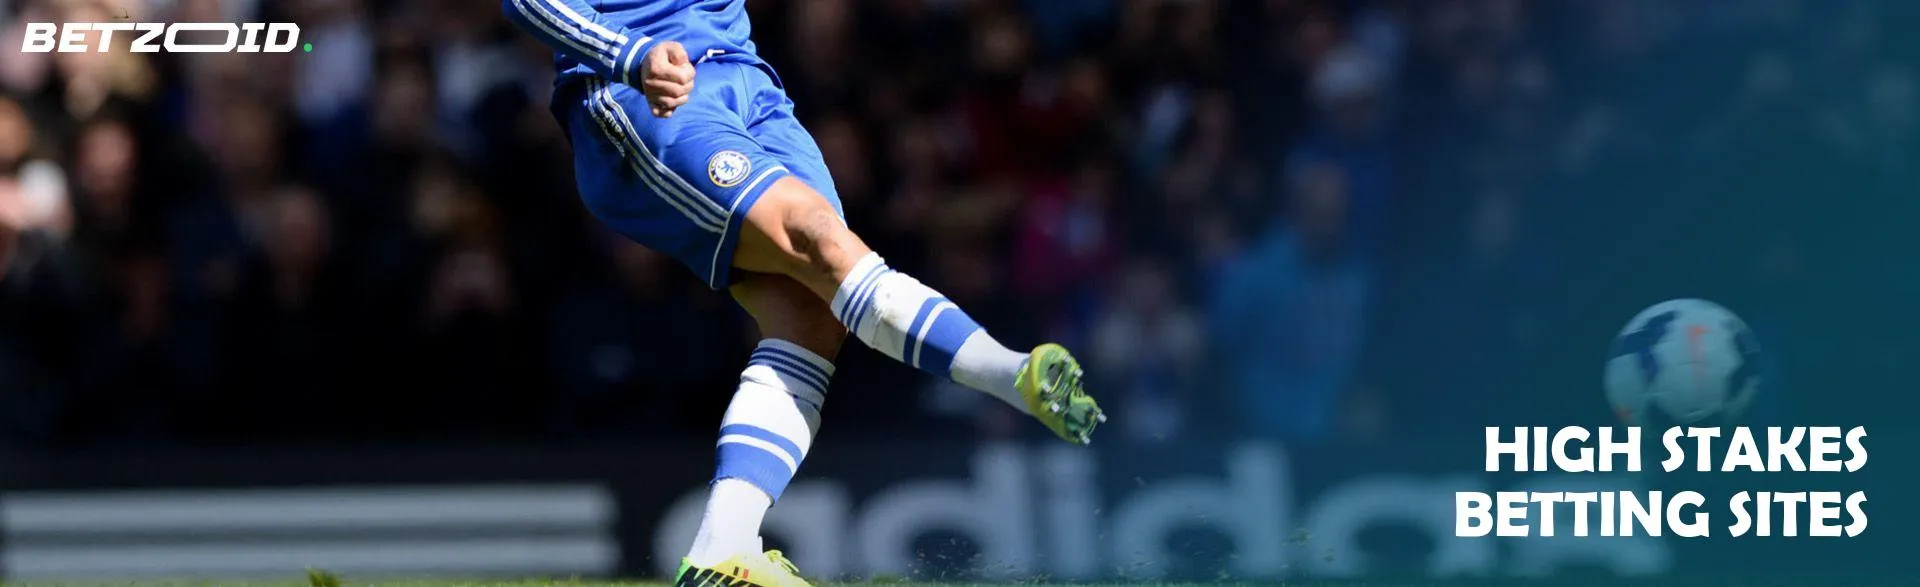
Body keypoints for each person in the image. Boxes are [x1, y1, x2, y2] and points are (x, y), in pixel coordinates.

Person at [501, 2, 1105, 585]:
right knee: (819, 239)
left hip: (753, 88)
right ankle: (1013, 376)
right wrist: (630, 55)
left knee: (812, 314)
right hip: (654, 90)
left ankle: (722, 551)